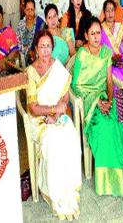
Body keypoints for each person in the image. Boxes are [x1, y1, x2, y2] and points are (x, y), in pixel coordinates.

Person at [71, 17, 123, 197]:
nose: (96, 37)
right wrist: (96, 102)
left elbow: (108, 80)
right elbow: (76, 86)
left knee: (120, 120)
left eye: (98, 33)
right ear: (85, 35)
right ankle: (108, 182)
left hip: (105, 95)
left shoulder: (106, 52)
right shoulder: (81, 54)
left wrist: (110, 100)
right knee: (105, 127)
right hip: (88, 100)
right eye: (92, 34)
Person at [26, 29, 81, 220]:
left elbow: (65, 94)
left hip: (57, 114)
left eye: (48, 46)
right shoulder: (31, 72)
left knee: (71, 134)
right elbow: (32, 108)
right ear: (35, 49)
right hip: (40, 120)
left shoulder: (57, 66)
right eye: (42, 46)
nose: (45, 50)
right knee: (54, 139)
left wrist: (59, 112)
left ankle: (68, 185)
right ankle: (54, 190)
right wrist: (51, 111)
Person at [100, 0, 123, 88]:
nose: (110, 13)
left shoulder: (119, 27)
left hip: (122, 63)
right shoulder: (100, 29)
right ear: (104, 12)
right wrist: (110, 60)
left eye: (112, 10)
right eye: (107, 11)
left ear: (115, 12)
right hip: (108, 65)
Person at [0, 3, 20, 71]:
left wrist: (5, 60)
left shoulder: (9, 32)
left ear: (3, 17)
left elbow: (15, 51)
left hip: (6, 67)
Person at [17, 0, 45, 65]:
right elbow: (19, 43)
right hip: (23, 59)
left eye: (32, 10)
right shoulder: (20, 24)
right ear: (24, 10)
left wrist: (33, 52)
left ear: (35, 10)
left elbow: (42, 43)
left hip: (37, 58)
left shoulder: (40, 23)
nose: (30, 13)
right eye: (27, 10)